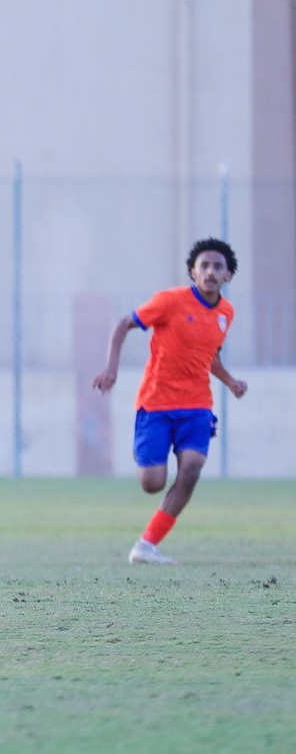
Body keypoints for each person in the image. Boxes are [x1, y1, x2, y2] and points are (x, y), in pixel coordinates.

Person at [93, 237, 248, 565]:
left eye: (217, 267)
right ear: (193, 272)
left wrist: (230, 381)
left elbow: (210, 356)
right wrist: (111, 368)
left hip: (197, 406)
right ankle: (144, 450)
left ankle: (146, 545)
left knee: (191, 470)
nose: (210, 272)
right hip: (156, 403)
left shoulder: (226, 313)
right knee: (153, 483)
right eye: (204, 266)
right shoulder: (170, 301)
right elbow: (124, 324)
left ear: (228, 275)